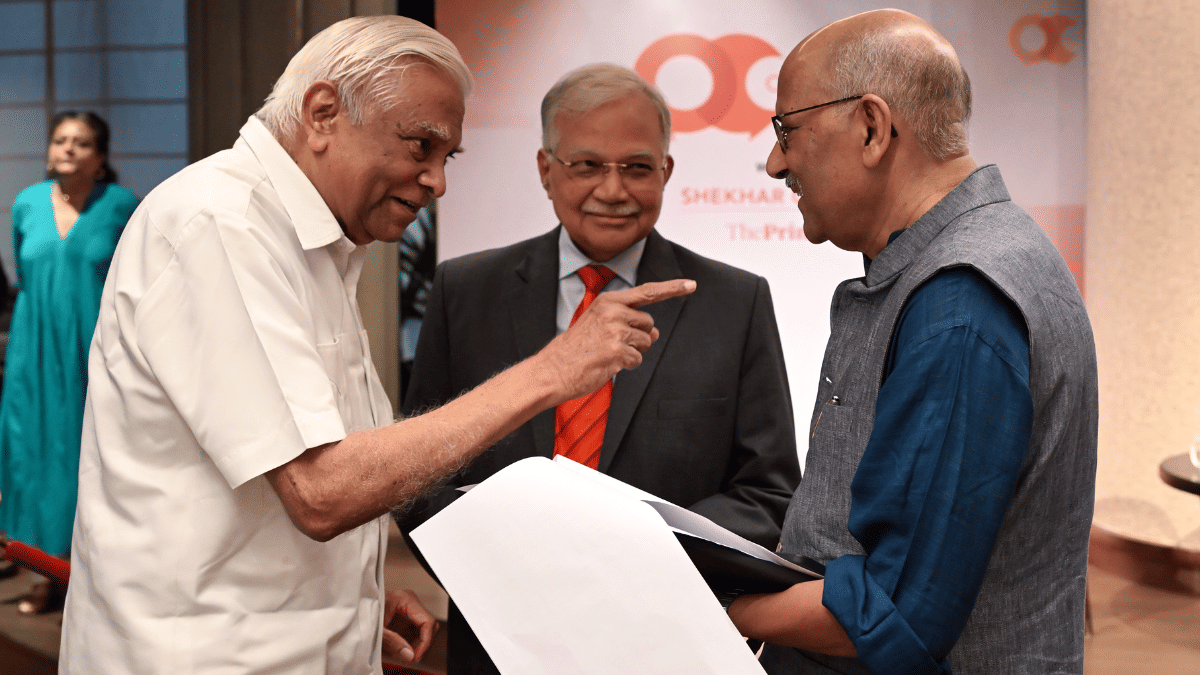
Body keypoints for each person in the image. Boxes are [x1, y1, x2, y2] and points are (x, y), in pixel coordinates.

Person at [59, 17, 693, 675]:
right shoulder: (218, 224)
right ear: (323, 112)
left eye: (447, 158)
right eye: (421, 145)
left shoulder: (312, 243)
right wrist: (551, 371)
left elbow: (275, 485)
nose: (437, 181)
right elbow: (322, 489)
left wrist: (355, 595)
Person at [397, 63, 801, 675]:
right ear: (545, 170)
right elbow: (418, 474)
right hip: (502, 636)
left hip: (669, 639)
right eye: (586, 165)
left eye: (637, 168)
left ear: (665, 172)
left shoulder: (735, 301)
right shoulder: (465, 290)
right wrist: (494, 568)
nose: (612, 190)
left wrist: (628, 553)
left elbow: (768, 492)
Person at [726, 9, 1097, 675]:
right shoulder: (969, 263)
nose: (777, 160)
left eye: (787, 129)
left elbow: (895, 609)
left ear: (871, 127)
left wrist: (721, 606)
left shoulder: (960, 303)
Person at [0, 111, 138, 614]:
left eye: (81, 143)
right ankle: (42, 571)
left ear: (101, 158)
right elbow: (26, 272)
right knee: (33, 456)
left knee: (89, 458)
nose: (69, 149)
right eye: (61, 140)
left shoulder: (123, 206)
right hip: (32, 351)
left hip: (95, 350)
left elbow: (139, 277)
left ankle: (95, 576)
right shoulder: (27, 204)